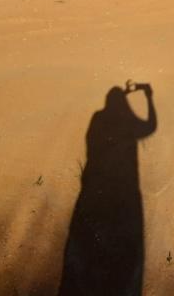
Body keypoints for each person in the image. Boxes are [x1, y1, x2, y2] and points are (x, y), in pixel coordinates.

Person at [59, 81, 157, 296]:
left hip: (95, 188)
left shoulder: (98, 118)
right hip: (125, 191)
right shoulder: (129, 123)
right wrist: (148, 96)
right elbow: (150, 126)